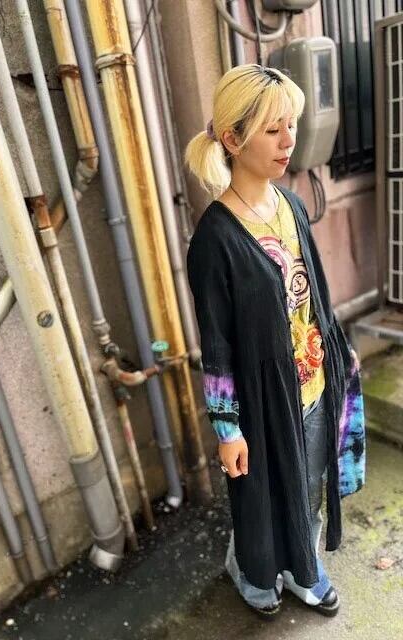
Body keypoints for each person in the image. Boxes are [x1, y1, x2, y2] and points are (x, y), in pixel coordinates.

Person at [185, 64, 366, 620]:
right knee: (259, 499)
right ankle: (253, 572)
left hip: (312, 385)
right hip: (259, 402)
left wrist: (339, 353)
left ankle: (303, 570)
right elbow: (216, 346)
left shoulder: (290, 205)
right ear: (233, 139)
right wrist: (227, 429)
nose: (289, 141)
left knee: (308, 484)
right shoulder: (215, 239)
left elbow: (313, 299)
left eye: (291, 125)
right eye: (272, 129)